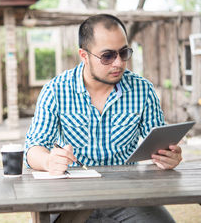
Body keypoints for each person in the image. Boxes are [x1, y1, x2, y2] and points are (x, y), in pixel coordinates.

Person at [24, 14, 180, 222]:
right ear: (84, 55)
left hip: (127, 194)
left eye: (124, 53)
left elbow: (160, 144)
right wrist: (48, 161)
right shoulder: (55, 90)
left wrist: (169, 157)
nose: (118, 63)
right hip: (69, 194)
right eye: (107, 56)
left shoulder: (143, 90)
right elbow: (32, 148)